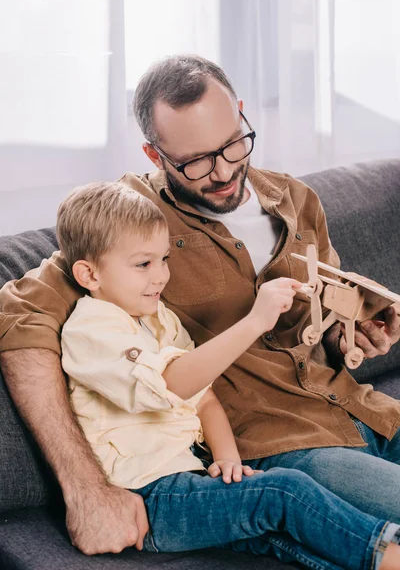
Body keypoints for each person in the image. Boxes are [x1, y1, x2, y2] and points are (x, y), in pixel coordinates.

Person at [0, 55, 400, 557]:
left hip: (366, 407)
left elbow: (320, 323)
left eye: (233, 145)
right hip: (287, 442)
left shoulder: (298, 200)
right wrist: (85, 489)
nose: (224, 172)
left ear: (239, 112)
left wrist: (351, 336)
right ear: (154, 153)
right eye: (195, 162)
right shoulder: (128, 226)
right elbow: (19, 320)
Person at [57, 179, 400, 569]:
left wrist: (229, 459)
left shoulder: (159, 320)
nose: (161, 277)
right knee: (284, 493)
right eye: (143, 264)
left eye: (165, 259)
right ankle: (387, 556)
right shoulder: (92, 328)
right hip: (148, 494)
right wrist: (254, 322)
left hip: (194, 477)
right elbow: (169, 385)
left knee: (284, 537)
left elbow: (204, 397)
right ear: (88, 275)